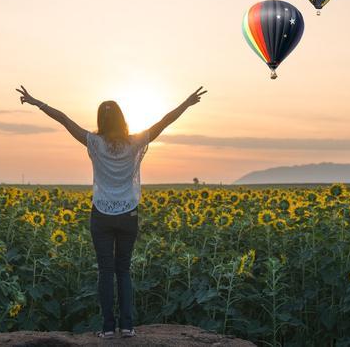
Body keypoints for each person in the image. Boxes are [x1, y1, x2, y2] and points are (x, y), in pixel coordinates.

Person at [15, 85, 207, 339]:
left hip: (102, 214)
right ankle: (127, 326)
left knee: (106, 271)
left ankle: (107, 328)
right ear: (122, 119)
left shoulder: (93, 142)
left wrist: (36, 101)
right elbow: (164, 121)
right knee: (123, 270)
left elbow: (63, 119)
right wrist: (186, 103)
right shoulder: (136, 141)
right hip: (128, 214)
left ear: (100, 120)